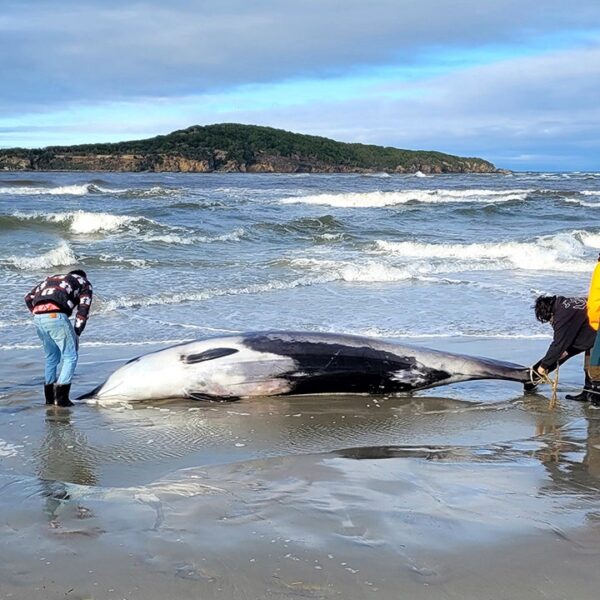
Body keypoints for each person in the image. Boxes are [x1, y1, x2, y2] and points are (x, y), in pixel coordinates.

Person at [24, 269, 93, 407]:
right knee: (70, 356)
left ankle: (49, 399)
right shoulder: (84, 282)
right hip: (56, 316)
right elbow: (83, 310)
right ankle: (61, 399)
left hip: (38, 318)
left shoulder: (51, 278)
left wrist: (38, 313)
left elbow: (28, 297)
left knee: (52, 357)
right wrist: (77, 333)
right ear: (82, 276)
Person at [532, 295, 596, 401]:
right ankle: (588, 392)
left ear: (549, 313)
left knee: (594, 368)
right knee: (588, 366)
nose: (551, 322)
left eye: (549, 320)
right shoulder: (565, 304)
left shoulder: (563, 315)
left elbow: (558, 344)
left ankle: (596, 397)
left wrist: (542, 367)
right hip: (593, 329)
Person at [586, 255, 600, 407]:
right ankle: (596, 394)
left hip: (595, 316)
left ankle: (593, 391)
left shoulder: (598, 268)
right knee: (597, 353)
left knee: (596, 352)